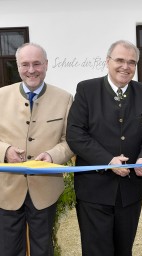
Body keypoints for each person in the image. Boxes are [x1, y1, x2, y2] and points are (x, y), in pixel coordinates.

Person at [66, 40, 142, 256]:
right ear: (107, 61)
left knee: (124, 249)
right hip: (94, 188)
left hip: (131, 189)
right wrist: (108, 161)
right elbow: (75, 134)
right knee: (96, 250)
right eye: (119, 60)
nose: (125, 67)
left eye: (131, 62)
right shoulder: (86, 89)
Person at [0, 43, 73, 256]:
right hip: (6, 189)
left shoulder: (65, 98)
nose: (31, 70)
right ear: (17, 66)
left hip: (45, 189)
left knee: (43, 249)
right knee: (7, 249)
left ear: (46, 65)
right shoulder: (0, 96)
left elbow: (71, 141)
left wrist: (52, 155)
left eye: (37, 64)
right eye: (25, 64)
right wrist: (4, 151)